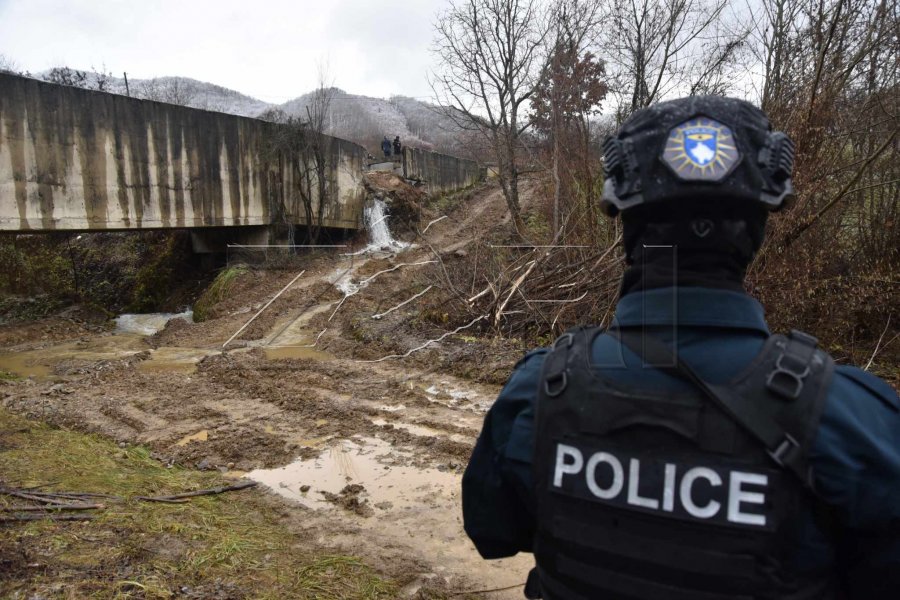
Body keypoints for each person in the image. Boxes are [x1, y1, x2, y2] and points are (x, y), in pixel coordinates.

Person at [462, 96, 900, 600]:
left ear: (626, 222)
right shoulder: (854, 423)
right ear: (758, 228)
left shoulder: (539, 390)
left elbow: (493, 533)